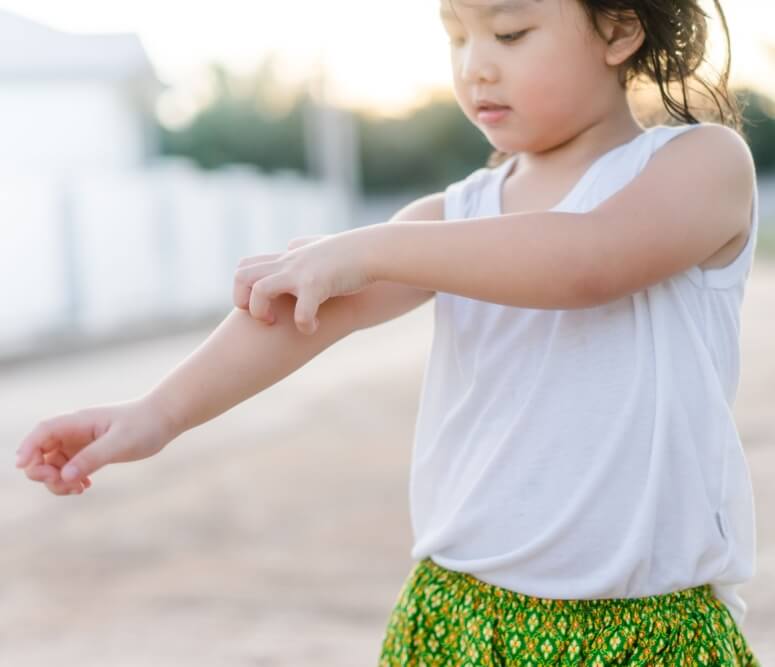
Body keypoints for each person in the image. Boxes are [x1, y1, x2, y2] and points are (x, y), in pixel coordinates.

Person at [15, 0, 763, 663]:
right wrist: (156, 413)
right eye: (455, 36)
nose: (475, 68)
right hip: (458, 614)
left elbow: (587, 259)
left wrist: (366, 245)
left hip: (641, 632)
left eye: (509, 32)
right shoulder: (457, 214)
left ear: (619, 27)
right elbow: (301, 316)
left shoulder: (697, 164)